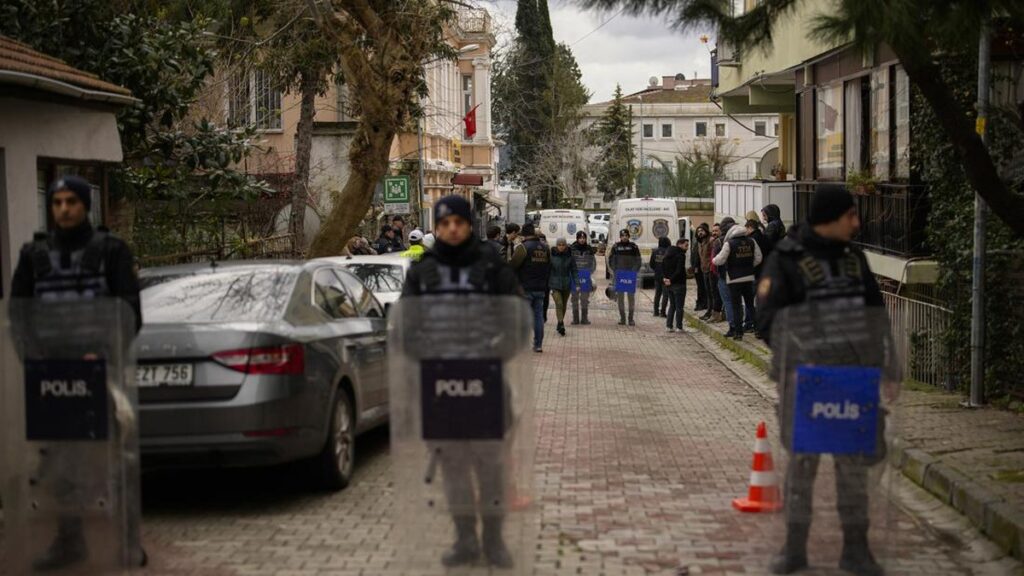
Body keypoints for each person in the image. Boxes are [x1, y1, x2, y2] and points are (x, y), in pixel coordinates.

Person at [10, 175, 144, 571]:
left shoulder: (111, 252)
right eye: (57, 202)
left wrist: (101, 354)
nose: (64, 209)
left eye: (72, 201)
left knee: (116, 459)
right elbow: (18, 317)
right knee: (58, 464)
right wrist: (33, 359)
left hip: (100, 373)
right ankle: (69, 542)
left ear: (85, 205)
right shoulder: (33, 256)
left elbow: (129, 313)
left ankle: (127, 541)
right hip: (51, 376)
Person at [756, 184, 886, 576]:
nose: (858, 223)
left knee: (852, 470)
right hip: (806, 381)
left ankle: (856, 549)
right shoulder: (787, 258)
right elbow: (767, 320)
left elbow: (874, 313)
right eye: (852, 215)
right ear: (832, 217)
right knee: (802, 467)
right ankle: (794, 548)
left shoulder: (853, 257)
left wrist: (884, 368)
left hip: (852, 381)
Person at [400, 195, 520, 568]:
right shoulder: (421, 271)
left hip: (487, 380)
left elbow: (516, 317)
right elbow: (407, 328)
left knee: (491, 466)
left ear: (469, 225)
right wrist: (429, 357)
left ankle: (494, 541)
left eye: (459, 222)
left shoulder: (492, 264)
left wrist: (499, 351)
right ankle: (465, 539)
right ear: (437, 227)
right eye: (445, 222)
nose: (452, 228)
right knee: (453, 467)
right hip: (441, 386)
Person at [713, 217, 762, 340]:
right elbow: (758, 258)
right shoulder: (751, 241)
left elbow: (720, 260)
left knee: (736, 306)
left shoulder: (729, 243)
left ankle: (738, 333)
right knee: (750, 305)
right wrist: (749, 266)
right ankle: (757, 330)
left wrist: (713, 260)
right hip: (749, 277)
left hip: (734, 279)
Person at [510, 223, 551, 353]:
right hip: (541, 288)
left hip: (525, 288)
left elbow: (513, 265)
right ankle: (538, 345)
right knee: (538, 317)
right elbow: (549, 266)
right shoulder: (545, 248)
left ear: (524, 234)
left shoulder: (523, 248)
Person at [608, 229, 641, 326]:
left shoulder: (633, 247)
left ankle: (631, 318)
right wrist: (615, 270)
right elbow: (611, 260)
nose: (624, 237)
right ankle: (622, 318)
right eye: (623, 236)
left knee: (631, 298)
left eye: (626, 235)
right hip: (620, 275)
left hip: (630, 274)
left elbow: (638, 260)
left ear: (629, 236)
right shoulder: (616, 247)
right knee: (620, 298)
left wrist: (634, 270)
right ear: (620, 237)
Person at [548, 238, 577, 337]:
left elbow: (574, 271)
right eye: (559, 244)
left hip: (566, 284)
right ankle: (561, 323)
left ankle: (559, 323)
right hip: (554, 284)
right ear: (556, 245)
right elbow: (547, 270)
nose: (561, 246)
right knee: (559, 303)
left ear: (565, 246)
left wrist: (576, 283)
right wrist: (546, 283)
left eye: (563, 244)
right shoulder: (551, 256)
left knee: (564, 305)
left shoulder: (570, 256)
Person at [661, 237, 690, 333]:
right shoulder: (681, 255)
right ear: (680, 244)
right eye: (686, 245)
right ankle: (679, 327)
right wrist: (671, 280)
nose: (687, 247)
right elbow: (679, 270)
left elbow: (663, 267)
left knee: (672, 305)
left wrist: (666, 279)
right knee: (679, 306)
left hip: (669, 284)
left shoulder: (668, 253)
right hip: (679, 284)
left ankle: (668, 326)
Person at [711, 219, 736, 327]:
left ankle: (733, 326)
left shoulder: (720, 241)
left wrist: (716, 272)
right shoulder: (742, 239)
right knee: (737, 301)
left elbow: (715, 259)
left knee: (728, 301)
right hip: (739, 274)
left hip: (724, 274)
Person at [569, 231, 596, 325]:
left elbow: (593, 262)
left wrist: (590, 272)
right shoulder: (571, 248)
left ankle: (584, 318)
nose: (582, 239)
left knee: (585, 299)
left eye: (583, 238)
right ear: (577, 239)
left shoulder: (589, 249)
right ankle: (575, 319)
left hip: (585, 276)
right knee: (574, 298)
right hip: (574, 277)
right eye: (580, 238)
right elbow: (569, 262)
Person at [649, 236, 671, 317]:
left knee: (657, 294)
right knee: (665, 295)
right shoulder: (668, 251)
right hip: (666, 275)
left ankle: (655, 311)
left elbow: (651, 264)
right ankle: (663, 312)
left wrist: (656, 269)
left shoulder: (655, 251)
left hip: (657, 275)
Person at [692, 223, 711, 312]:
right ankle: (701, 303)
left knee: (706, 288)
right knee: (701, 287)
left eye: (702, 231)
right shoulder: (698, 242)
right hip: (699, 268)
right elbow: (695, 255)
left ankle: (705, 304)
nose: (700, 233)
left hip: (707, 268)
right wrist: (694, 266)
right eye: (698, 231)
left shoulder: (709, 241)